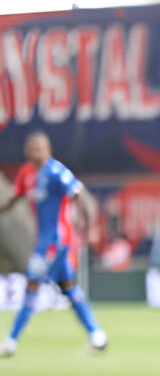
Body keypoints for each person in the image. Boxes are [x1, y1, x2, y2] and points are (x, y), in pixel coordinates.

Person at [1, 132, 107, 356]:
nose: (35, 153)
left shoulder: (57, 172)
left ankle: (10, 341)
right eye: (32, 149)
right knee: (69, 289)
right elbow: (15, 197)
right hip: (43, 241)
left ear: (48, 150)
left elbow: (79, 194)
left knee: (32, 287)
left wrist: (89, 226)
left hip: (56, 243)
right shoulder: (27, 174)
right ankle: (97, 335)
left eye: (39, 149)